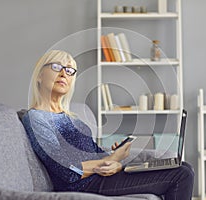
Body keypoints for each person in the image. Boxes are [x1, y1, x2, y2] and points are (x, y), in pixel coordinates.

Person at [22, 50, 194, 199]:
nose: (63, 74)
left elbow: (92, 152)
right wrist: (112, 160)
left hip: (100, 176)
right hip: (84, 184)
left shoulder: (70, 117)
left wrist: (114, 155)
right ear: (39, 75)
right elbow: (66, 169)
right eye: (56, 67)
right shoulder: (36, 117)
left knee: (183, 166)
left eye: (69, 70)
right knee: (182, 175)